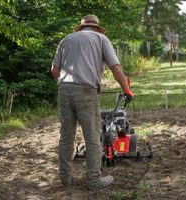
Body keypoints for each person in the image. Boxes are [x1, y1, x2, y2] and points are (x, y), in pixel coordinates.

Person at [51, 14, 134, 191]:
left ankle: (65, 179)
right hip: (86, 92)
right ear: (96, 28)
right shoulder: (101, 39)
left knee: (66, 137)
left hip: (64, 91)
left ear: (81, 28)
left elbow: (54, 70)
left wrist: (67, 85)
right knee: (93, 138)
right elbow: (116, 67)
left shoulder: (66, 40)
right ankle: (94, 181)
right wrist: (126, 89)